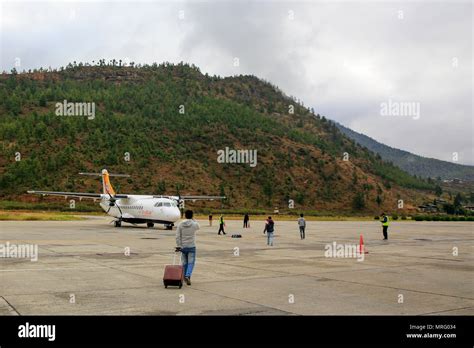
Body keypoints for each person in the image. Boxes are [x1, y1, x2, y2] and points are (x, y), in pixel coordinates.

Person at [175, 210, 200, 285]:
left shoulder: (180, 224)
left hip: (183, 247)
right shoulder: (194, 224)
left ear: (185, 215)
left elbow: (177, 236)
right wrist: (193, 219)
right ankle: (188, 275)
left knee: (184, 262)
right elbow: (199, 226)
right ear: (192, 215)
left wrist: (179, 245)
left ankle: (183, 275)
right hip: (191, 246)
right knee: (191, 263)